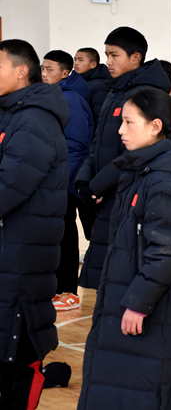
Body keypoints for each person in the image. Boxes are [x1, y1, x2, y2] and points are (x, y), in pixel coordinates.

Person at [77, 87, 171, 410]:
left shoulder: (166, 181)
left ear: (155, 127)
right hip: (138, 303)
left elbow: (167, 251)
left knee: (149, 392)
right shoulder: (144, 171)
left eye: (129, 122)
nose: (121, 130)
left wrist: (139, 303)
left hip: (159, 313)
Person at [0, 39, 69, 410]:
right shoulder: (11, 112)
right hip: (9, 248)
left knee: (17, 351)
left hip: (22, 251)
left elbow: (9, 186)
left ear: (21, 70)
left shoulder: (35, 120)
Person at [76, 26, 171, 290]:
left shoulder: (147, 94)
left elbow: (137, 153)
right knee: (106, 280)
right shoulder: (115, 90)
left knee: (123, 278)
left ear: (135, 58)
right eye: (107, 54)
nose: (108, 61)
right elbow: (98, 141)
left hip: (129, 193)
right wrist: (85, 179)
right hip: (108, 193)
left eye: (114, 55)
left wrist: (98, 184)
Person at [42, 50, 95, 311]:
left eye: (49, 69)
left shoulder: (71, 98)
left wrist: (63, 179)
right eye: (42, 68)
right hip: (53, 178)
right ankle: (57, 289)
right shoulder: (54, 94)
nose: (44, 73)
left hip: (65, 180)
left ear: (65, 73)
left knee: (66, 234)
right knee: (56, 234)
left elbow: (76, 145)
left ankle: (69, 291)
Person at [73, 47, 112, 129]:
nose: (75, 63)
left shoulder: (100, 86)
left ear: (93, 64)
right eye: (75, 59)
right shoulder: (79, 82)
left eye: (80, 60)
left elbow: (101, 117)